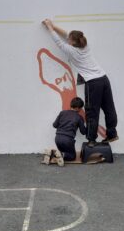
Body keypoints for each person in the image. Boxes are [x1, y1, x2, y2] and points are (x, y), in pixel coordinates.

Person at [42, 19, 118, 147]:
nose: (68, 39)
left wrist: (50, 27)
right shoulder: (84, 45)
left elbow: (58, 41)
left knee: (91, 111)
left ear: (72, 42)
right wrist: (54, 26)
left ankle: (92, 140)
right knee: (109, 108)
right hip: (104, 79)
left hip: (93, 83)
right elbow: (67, 35)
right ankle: (112, 134)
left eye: (70, 39)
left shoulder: (72, 51)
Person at [45, 97, 86, 166]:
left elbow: (54, 125)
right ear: (78, 108)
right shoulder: (79, 117)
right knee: (72, 157)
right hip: (68, 140)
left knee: (63, 152)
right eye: (81, 108)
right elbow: (83, 132)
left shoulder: (62, 113)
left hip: (57, 139)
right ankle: (61, 154)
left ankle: (52, 154)